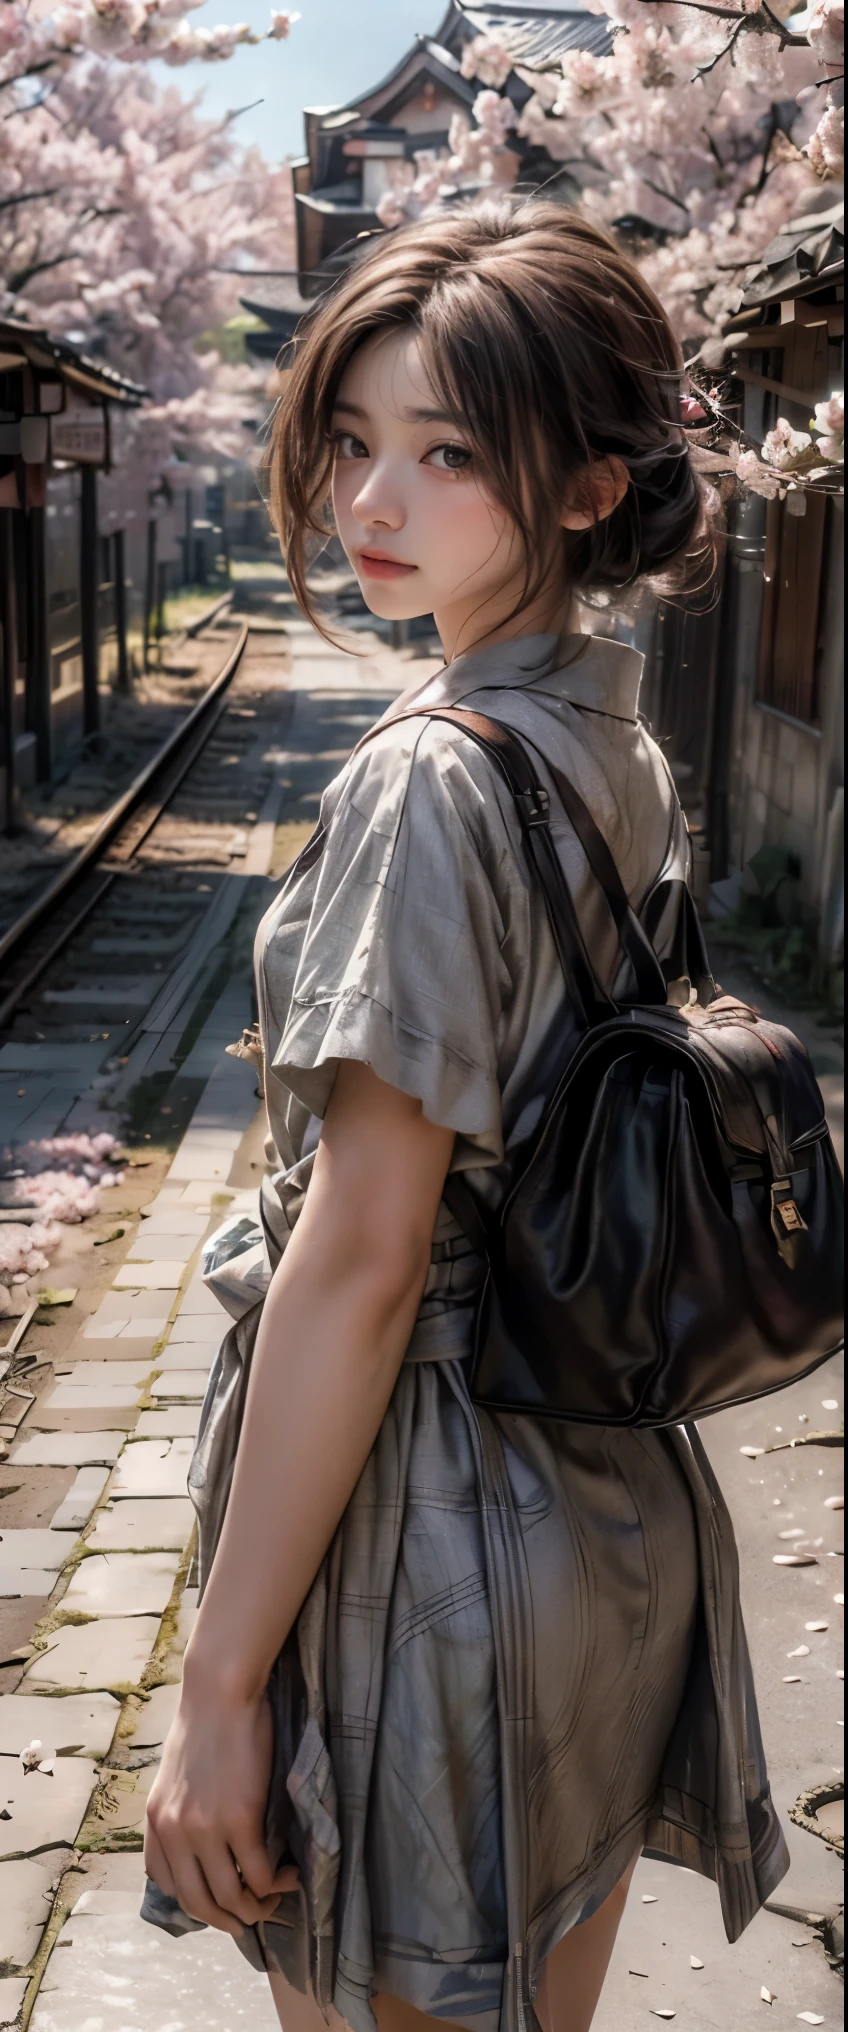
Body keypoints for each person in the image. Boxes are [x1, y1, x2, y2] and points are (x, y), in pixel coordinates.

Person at [141, 201, 788, 2032]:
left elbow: (358, 1262)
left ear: (586, 490)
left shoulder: (429, 779)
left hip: (427, 1533)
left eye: (445, 455)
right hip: (603, 1501)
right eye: (352, 440)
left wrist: (216, 1690)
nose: (373, 502)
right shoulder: (606, 732)